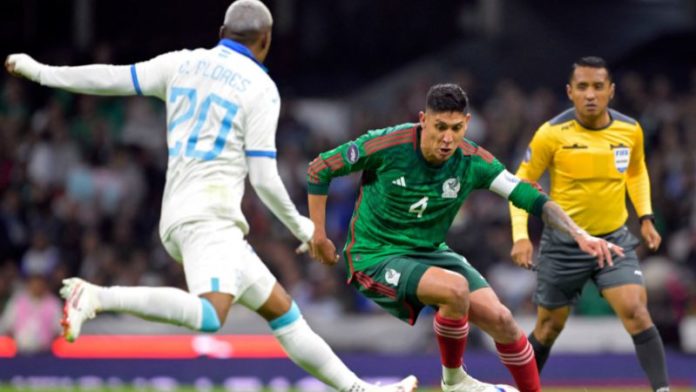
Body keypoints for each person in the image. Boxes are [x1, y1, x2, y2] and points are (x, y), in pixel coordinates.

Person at [4, 1, 417, 391]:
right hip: (208, 218)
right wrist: (309, 230)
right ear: (266, 40)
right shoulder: (260, 87)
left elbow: (110, 77)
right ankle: (95, 296)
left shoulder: (181, 63)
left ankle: (359, 388)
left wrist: (42, 73)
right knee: (209, 315)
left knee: (284, 312)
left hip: (190, 215)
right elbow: (264, 178)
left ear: (221, 32)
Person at [306, 83, 623, 392]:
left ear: (467, 124)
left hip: (429, 253)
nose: (447, 138)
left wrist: (580, 234)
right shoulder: (388, 144)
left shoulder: (472, 161)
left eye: (456, 128)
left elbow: (528, 195)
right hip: (375, 255)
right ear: (423, 119)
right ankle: (455, 382)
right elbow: (320, 169)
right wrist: (319, 234)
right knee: (455, 289)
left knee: (503, 320)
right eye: (439, 127)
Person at [509, 56, 670, 392]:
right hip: (563, 245)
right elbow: (520, 184)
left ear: (611, 91)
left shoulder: (630, 130)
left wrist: (646, 217)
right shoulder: (551, 134)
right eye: (582, 87)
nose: (590, 94)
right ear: (570, 92)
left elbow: (637, 172)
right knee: (549, 326)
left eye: (598, 86)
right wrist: (521, 235)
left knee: (637, 312)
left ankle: (663, 390)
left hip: (613, 240)